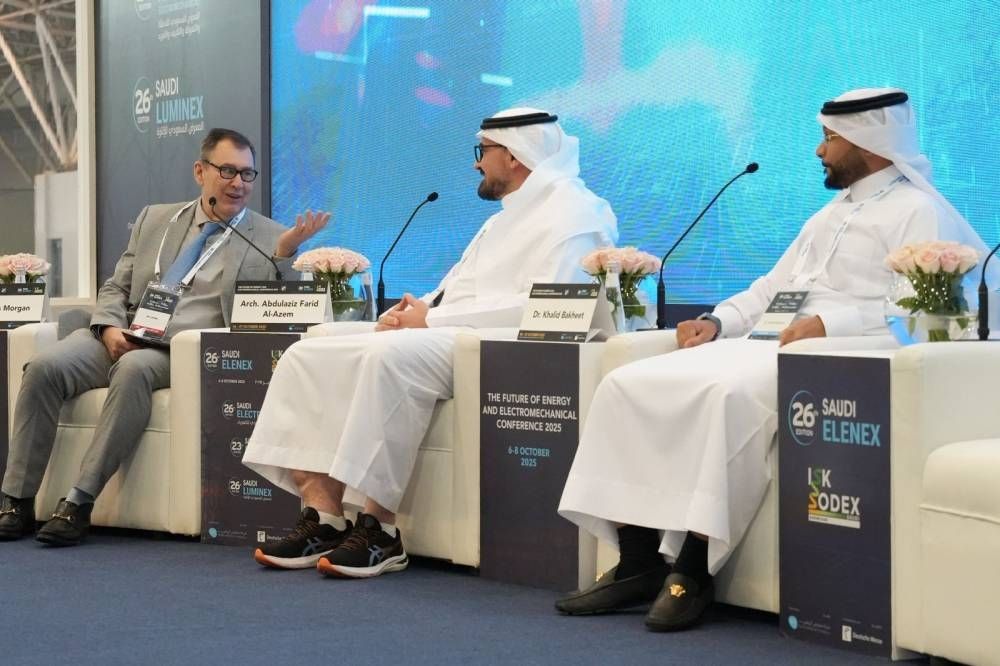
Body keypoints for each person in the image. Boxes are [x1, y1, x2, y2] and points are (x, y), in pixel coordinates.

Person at [555, 88, 991, 631]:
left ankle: (692, 570)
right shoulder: (829, 214)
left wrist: (829, 324)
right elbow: (771, 288)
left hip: (830, 352)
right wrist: (718, 321)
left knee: (725, 395)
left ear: (868, 141)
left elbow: (920, 307)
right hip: (765, 340)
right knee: (627, 383)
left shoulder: (919, 211)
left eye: (829, 139)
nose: (819, 151)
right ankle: (637, 560)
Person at [243, 108, 618, 577]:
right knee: (309, 352)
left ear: (515, 156)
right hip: (449, 330)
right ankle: (324, 515)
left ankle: (380, 529)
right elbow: (458, 286)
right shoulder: (503, 220)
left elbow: (549, 308)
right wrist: (415, 309)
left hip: (501, 345)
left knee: (389, 356)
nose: (477, 163)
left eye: (483, 151)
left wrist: (433, 318)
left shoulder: (575, 213)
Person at [0, 128, 330, 546]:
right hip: (123, 331)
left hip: (177, 350)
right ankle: (17, 500)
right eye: (227, 171)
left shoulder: (270, 236)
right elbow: (116, 286)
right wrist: (109, 328)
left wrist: (285, 255)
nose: (238, 183)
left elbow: (272, 308)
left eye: (248, 174)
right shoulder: (155, 219)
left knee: (133, 369)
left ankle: (79, 502)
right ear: (200, 171)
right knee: (43, 368)